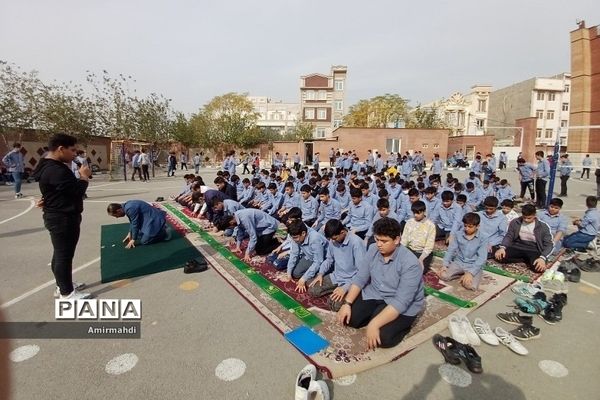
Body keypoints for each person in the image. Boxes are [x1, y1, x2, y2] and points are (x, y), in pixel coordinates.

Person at [336, 217, 424, 350]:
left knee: (383, 339)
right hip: (376, 292)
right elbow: (360, 278)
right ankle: (377, 313)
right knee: (350, 320)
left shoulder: (410, 263)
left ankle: (401, 324)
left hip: (401, 304)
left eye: (384, 241)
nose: (379, 244)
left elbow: (401, 302)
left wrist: (374, 324)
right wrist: (347, 303)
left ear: (397, 240)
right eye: (377, 239)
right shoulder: (373, 249)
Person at [32, 133, 91, 299]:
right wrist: (84, 177)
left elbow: (52, 189)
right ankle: (66, 292)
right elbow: (77, 191)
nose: (74, 154)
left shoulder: (48, 165)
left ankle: (63, 283)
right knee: (63, 255)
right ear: (60, 149)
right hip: (62, 218)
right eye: (72, 150)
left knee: (60, 253)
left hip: (58, 213)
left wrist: (47, 199)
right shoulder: (55, 170)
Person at [309, 219, 366, 310]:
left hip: (351, 280)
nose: (333, 241)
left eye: (335, 238)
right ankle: (336, 290)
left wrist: (345, 288)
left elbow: (362, 273)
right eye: (331, 239)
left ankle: (349, 293)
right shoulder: (333, 240)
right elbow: (329, 260)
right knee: (312, 289)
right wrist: (320, 274)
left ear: (343, 232)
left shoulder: (356, 243)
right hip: (336, 276)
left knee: (334, 305)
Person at [494, 204, 553, 272]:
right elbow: (509, 235)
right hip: (518, 246)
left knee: (538, 268)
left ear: (535, 215)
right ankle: (524, 259)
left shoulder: (543, 226)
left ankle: (527, 259)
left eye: (529, 218)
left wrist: (542, 258)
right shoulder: (515, 222)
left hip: (534, 249)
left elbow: (549, 244)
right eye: (524, 217)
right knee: (499, 257)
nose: (526, 220)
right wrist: (502, 248)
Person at [439, 213, 488, 290]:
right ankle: (460, 274)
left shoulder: (483, 238)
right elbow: (450, 250)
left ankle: (467, 275)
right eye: (465, 226)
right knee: (443, 275)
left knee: (471, 286)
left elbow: (482, 258)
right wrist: (445, 265)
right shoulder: (458, 234)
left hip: (473, 264)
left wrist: (471, 273)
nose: (467, 228)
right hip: (459, 262)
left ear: (477, 226)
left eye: (470, 227)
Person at [215, 208, 279, 262]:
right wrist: (238, 246)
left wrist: (247, 253)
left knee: (260, 251)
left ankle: (279, 244)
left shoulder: (244, 219)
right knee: (255, 247)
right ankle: (272, 240)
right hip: (260, 229)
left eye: (230, 226)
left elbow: (253, 237)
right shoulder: (236, 216)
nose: (232, 228)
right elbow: (240, 232)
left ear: (231, 222)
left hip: (269, 227)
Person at [285, 220, 328, 291]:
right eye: (293, 237)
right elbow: (294, 253)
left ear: (303, 233)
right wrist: (288, 272)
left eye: (295, 237)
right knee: (295, 273)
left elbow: (318, 261)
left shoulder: (315, 239)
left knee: (311, 284)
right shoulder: (295, 235)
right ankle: (311, 274)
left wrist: (304, 278)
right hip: (310, 257)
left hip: (323, 260)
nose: (294, 240)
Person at [107, 201, 171, 248]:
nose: (117, 217)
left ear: (118, 210)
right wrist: (130, 234)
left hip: (155, 219)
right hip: (149, 219)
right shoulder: (126, 206)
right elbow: (132, 221)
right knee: (138, 235)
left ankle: (164, 232)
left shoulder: (130, 208)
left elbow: (135, 224)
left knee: (144, 241)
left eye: (116, 215)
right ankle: (159, 229)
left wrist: (133, 239)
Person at [400, 201, 436, 274]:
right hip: (410, 250)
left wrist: (421, 259)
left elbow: (429, 246)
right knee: (401, 266)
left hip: (423, 253)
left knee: (420, 270)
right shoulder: (409, 222)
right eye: (414, 213)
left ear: (424, 212)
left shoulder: (431, 225)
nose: (416, 215)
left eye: (418, 213)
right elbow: (404, 240)